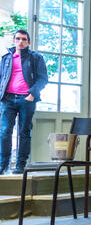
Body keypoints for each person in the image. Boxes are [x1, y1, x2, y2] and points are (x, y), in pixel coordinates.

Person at [0, 30, 48, 175]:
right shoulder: (6, 58)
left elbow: (43, 79)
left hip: (26, 100)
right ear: (14, 40)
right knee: (4, 132)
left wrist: (32, 94)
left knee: (24, 132)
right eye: (18, 38)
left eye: (24, 39)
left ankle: (20, 165)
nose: (20, 41)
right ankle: (3, 165)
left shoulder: (36, 58)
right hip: (8, 99)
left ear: (28, 42)